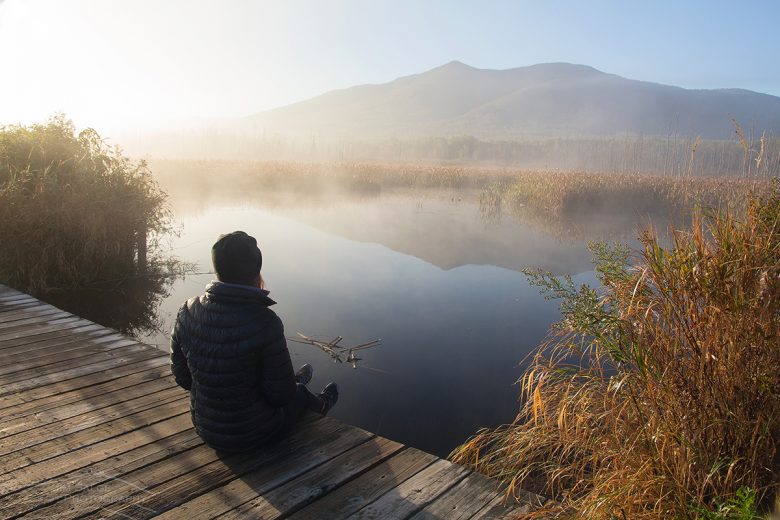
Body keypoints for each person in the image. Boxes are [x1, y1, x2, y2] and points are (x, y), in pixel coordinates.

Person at [169, 231, 338, 452]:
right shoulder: (265, 321)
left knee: (283, 383)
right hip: (256, 433)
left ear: (217, 268)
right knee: (297, 393)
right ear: (256, 269)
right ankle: (322, 403)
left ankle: (295, 381)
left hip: (206, 428)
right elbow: (280, 397)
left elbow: (183, 378)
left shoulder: (188, 310)